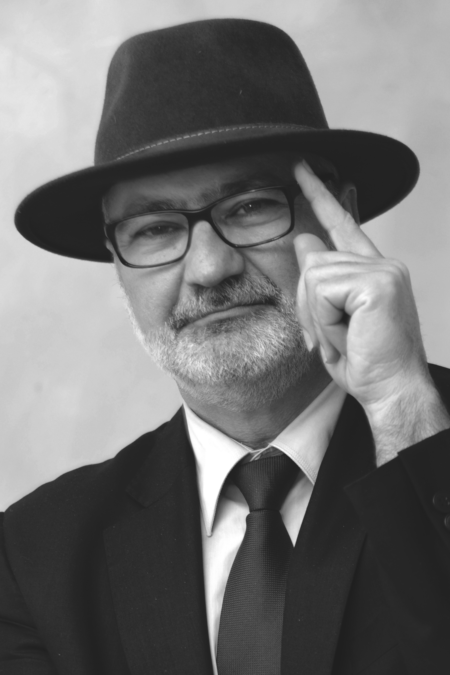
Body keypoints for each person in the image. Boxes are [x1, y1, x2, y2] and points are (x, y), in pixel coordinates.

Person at [2, 17, 450, 675]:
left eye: (249, 208)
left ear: (340, 216)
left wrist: (403, 410)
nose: (210, 268)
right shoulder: (33, 555)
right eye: (155, 229)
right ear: (117, 262)